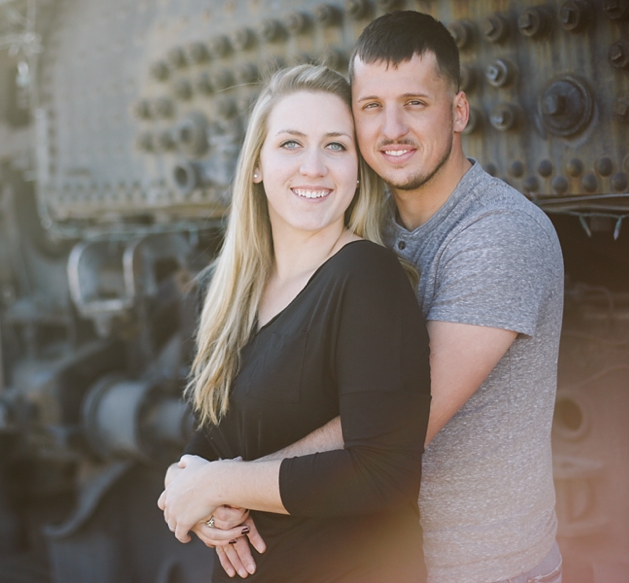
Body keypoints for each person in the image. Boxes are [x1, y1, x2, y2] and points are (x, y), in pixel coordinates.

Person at [201, 10, 565, 583]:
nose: (392, 128)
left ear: (460, 110)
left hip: (480, 567)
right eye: (371, 107)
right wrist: (213, 482)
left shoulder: (500, 235)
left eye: (415, 103)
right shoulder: (367, 232)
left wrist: (223, 486)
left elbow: (395, 428)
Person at [157, 64, 431, 582]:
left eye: (335, 146)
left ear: (357, 168)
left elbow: (385, 472)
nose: (314, 167)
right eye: (290, 144)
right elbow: (219, 432)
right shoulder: (229, 287)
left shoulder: (366, 277)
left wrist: (224, 486)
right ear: (257, 165)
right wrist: (190, 478)